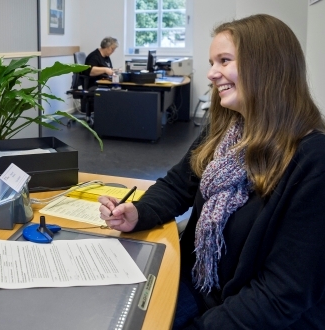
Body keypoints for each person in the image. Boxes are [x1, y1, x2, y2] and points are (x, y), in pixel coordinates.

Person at [98, 14, 325, 329]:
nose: (211, 73)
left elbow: (281, 294)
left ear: (268, 66)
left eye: (224, 61)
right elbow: (178, 185)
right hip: (199, 287)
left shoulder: (313, 161)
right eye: (211, 62)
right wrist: (139, 212)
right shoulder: (227, 131)